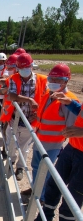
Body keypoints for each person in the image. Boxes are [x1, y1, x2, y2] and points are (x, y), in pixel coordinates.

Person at [21, 64, 80, 200]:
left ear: (66, 81)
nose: (53, 82)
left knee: (44, 170)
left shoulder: (69, 100)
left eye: (58, 80)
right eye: (51, 79)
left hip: (53, 143)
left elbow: (71, 126)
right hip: (40, 138)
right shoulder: (49, 94)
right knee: (36, 166)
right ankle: (35, 189)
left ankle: (40, 197)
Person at [32, 98, 83, 221]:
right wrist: (72, 105)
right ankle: (43, 220)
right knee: (53, 185)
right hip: (72, 148)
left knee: (73, 196)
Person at [6, 53, 48, 180]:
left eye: (27, 67)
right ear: (18, 68)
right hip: (14, 118)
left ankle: (20, 168)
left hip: (31, 121)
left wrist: (38, 113)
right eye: (21, 68)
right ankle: (10, 162)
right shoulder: (14, 78)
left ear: (32, 67)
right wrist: (29, 100)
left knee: (24, 148)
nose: (24, 71)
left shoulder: (42, 80)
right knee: (11, 143)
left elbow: (45, 99)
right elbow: (11, 96)